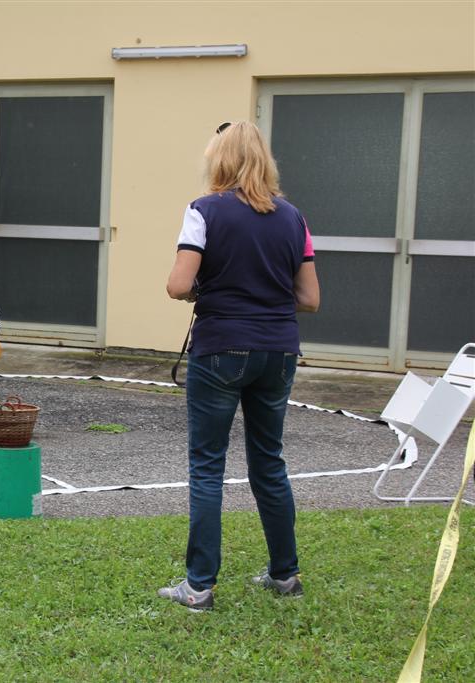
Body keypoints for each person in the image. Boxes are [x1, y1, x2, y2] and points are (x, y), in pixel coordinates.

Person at [158, 121, 320, 610]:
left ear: (219, 161)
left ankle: (199, 585)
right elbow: (309, 299)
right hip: (279, 350)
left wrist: (213, 287)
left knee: (208, 466)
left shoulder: (203, 211)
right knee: (268, 462)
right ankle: (285, 575)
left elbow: (177, 284)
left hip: (222, 346)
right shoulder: (294, 218)